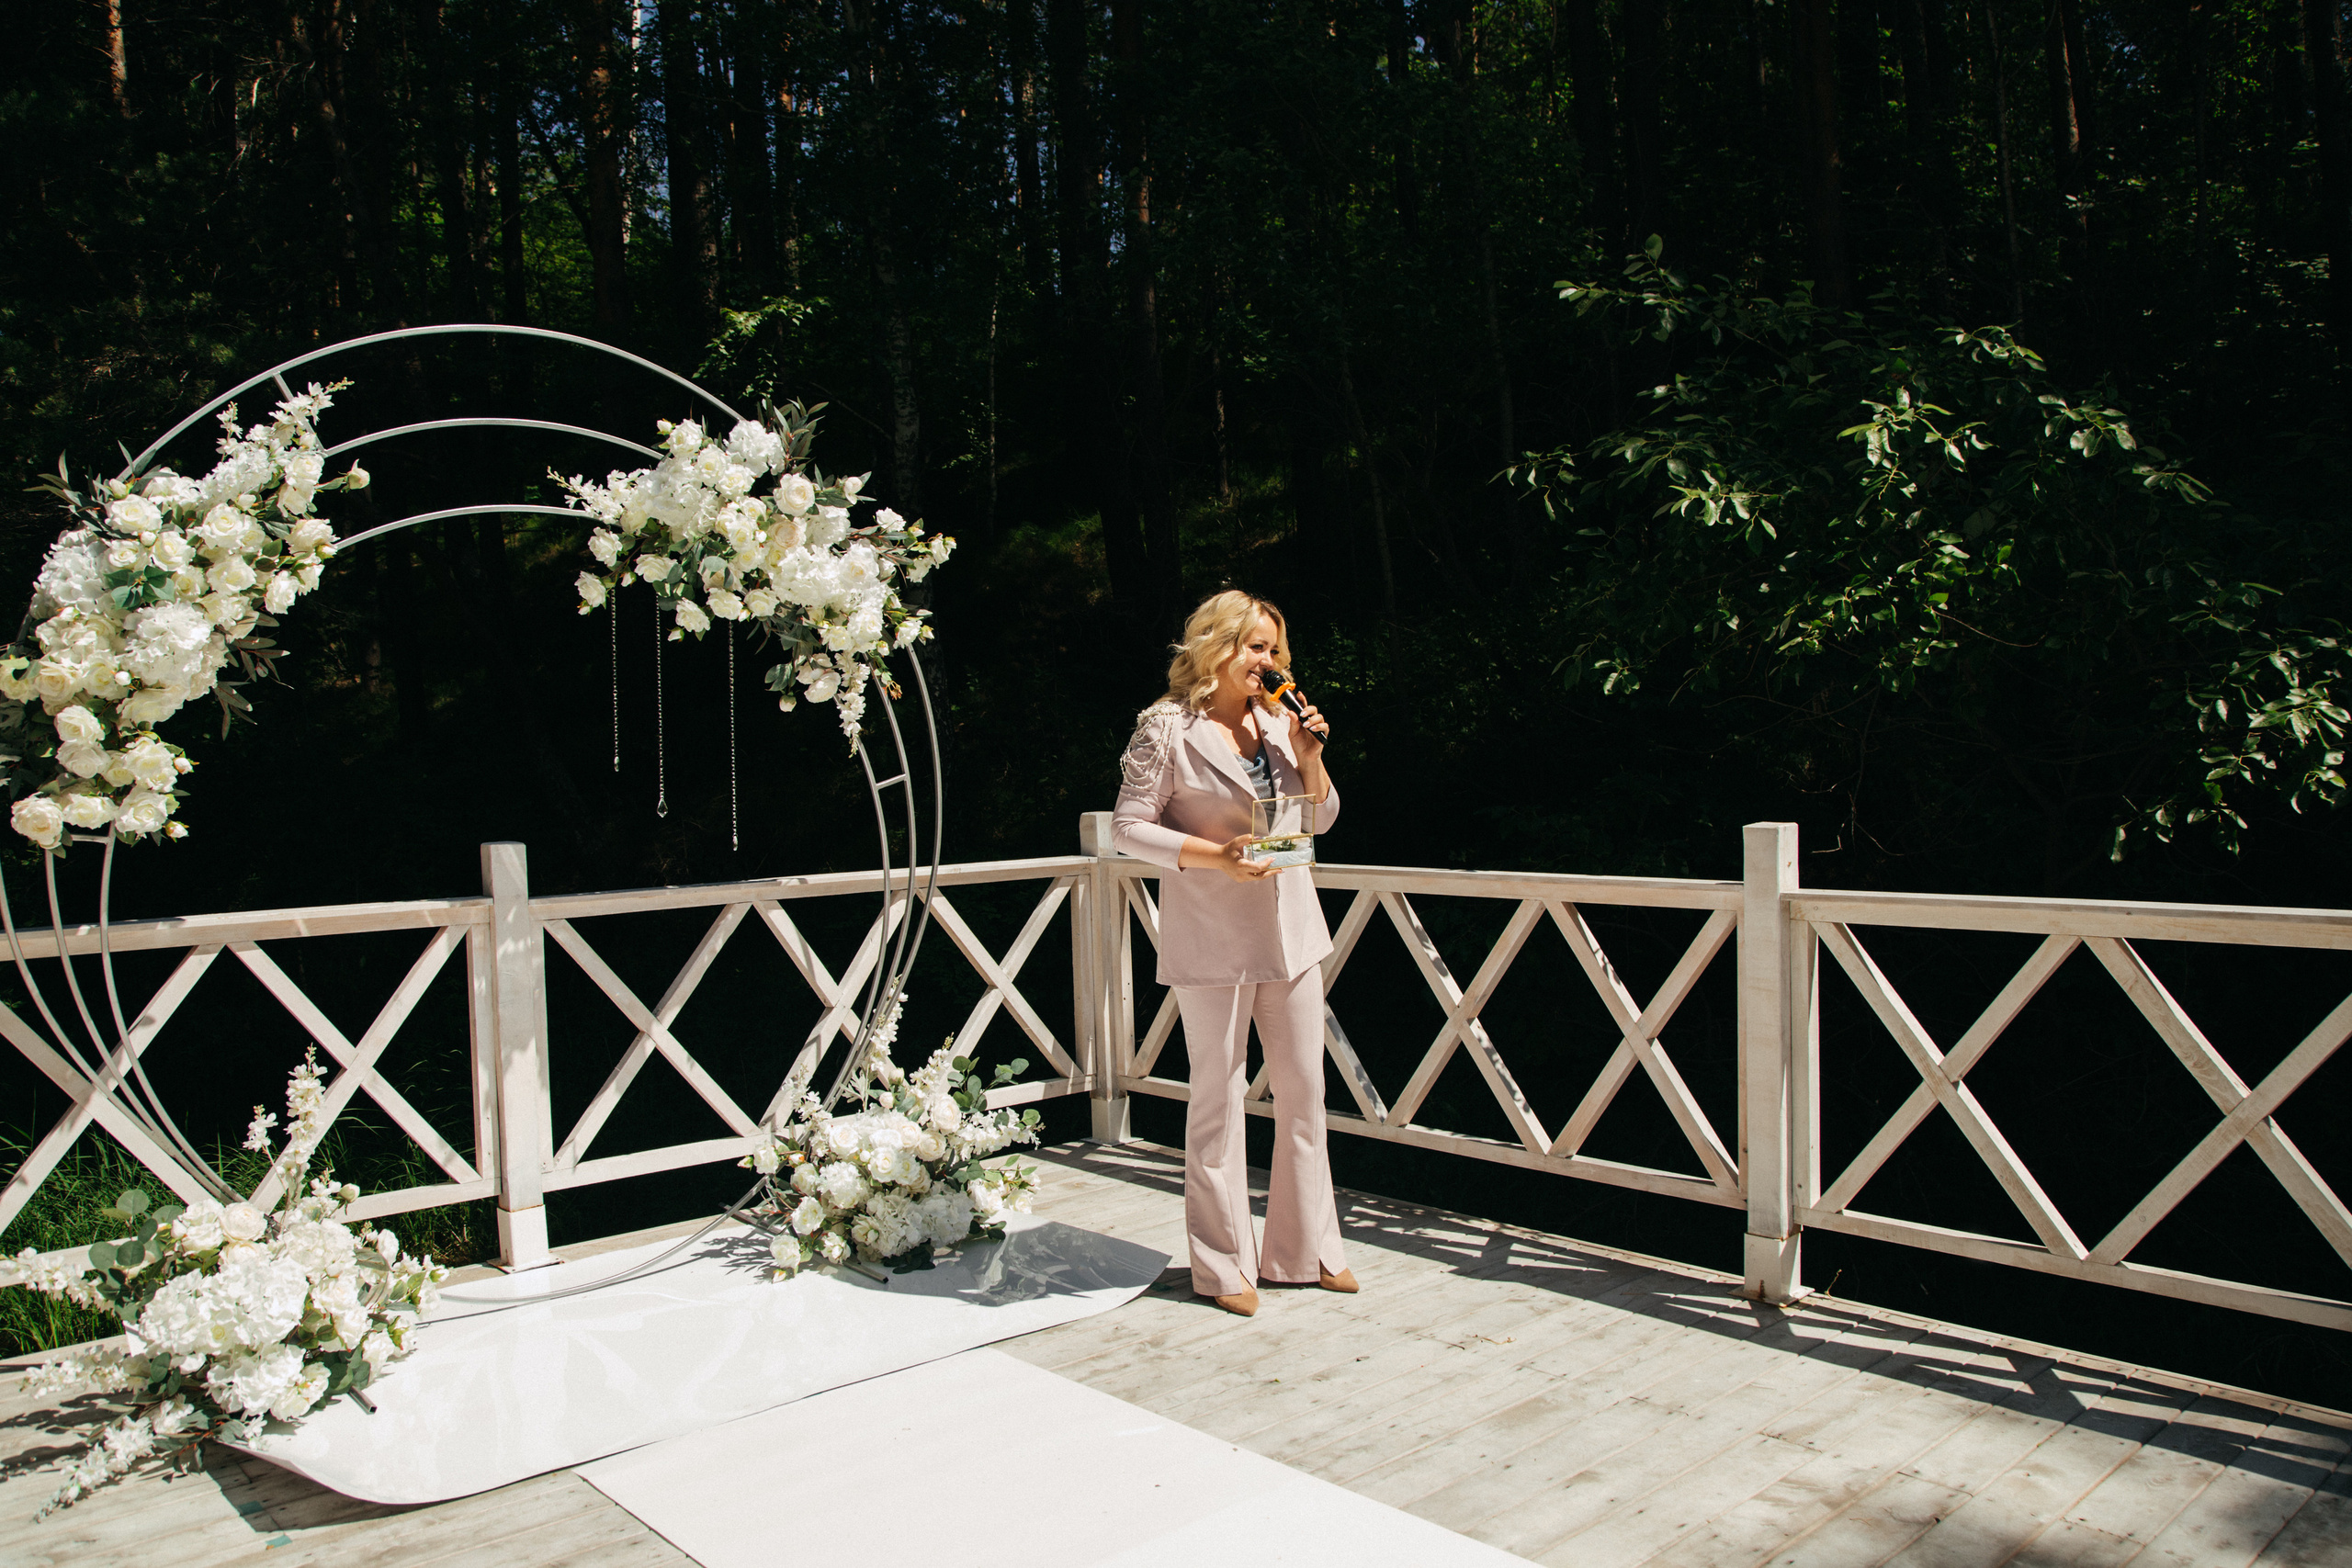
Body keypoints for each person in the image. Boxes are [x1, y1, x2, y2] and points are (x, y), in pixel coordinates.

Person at [1113, 590, 1355, 1317]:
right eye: (1256, 646)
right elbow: (1128, 827)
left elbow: (1321, 818)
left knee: (1304, 1092)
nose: (1268, 661)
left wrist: (1310, 758)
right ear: (1216, 647)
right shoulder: (1167, 728)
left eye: (1275, 649)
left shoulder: (1281, 722)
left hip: (1292, 930)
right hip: (1213, 935)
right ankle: (1223, 1266)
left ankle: (1307, 1251)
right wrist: (1216, 855)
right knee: (1218, 1096)